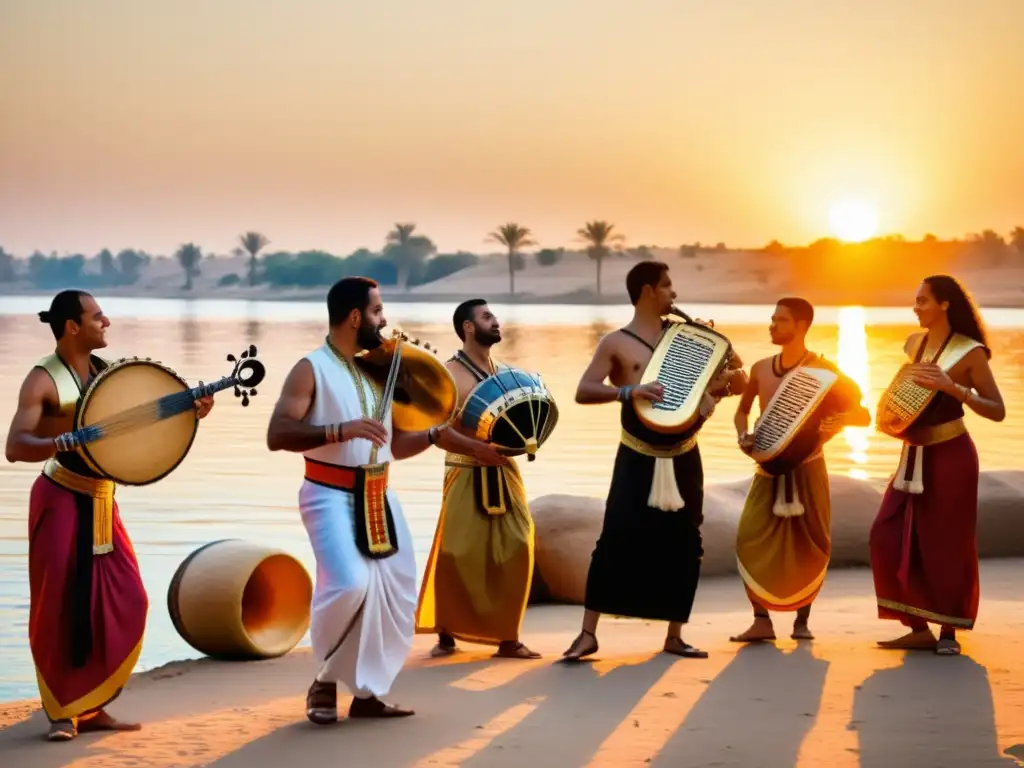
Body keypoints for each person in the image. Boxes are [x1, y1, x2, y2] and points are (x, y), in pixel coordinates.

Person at [266, 276, 482, 724]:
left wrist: (438, 434)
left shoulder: (378, 370)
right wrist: (337, 430)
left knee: (392, 596)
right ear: (354, 317)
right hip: (328, 494)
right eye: (378, 312)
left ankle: (368, 694)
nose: (384, 321)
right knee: (348, 584)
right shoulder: (311, 368)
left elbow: (394, 446)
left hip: (381, 497)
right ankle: (323, 681)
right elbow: (277, 434)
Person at [4, 289, 215, 742]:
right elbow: (15, 446)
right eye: (98, 317)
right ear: (72, 327)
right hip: (59, 496)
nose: (107, 323)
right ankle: (62, 712)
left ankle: (94, 705)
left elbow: (134, 430)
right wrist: (60, 443)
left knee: (129, 598)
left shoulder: (108, 376)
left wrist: (191, 411)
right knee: (57, 605)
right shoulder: (43, 379)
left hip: (102, 500)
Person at [561, 261, 746, 661]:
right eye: (667, 286)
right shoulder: (616, 342)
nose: (673, 294)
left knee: (685, 542)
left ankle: (674, 636)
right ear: (647, 291)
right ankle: (587, 635)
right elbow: (583, 390)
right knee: (615, 538)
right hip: (636, 455)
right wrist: (630, 391)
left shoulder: (688, 339)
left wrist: (718, 371)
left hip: (683, 454)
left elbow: (737, 381)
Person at [869, 275, 1005, 656]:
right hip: (913, 454)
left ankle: (949, 631)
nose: (916, 307)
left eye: (923, 301)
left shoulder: (970, 352)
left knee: (947, 542)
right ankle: (917, 626)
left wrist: (954, 389)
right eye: (915, 300)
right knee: (886, 533)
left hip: (952, 455)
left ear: (945, 304)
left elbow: (998, 410)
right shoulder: (914, 344)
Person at [730, 298, 870, 643]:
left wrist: (831, 426)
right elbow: (742, 412)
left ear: (802, 325)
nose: (772, 325)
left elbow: (861, 413)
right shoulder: (762, 368)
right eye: (772, 318)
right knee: (749, 537)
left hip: (808, 466)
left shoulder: (824, 371)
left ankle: (801, 621)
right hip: (767, 466)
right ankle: (761, 619)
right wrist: (742, 435)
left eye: (780, 320)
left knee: (810, 542)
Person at [415, 299, 541, 660]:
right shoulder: (448, 374)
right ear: (468, 327)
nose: (496, 322)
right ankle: (446, 634)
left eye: (495, 316)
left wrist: (526, 440)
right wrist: (475, 449)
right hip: (464, 471)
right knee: (457, 551)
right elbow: (433, 430)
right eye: (487, 317)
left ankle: (508, 637)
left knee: (519, 545)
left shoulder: (505, 374)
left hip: (503, 471)